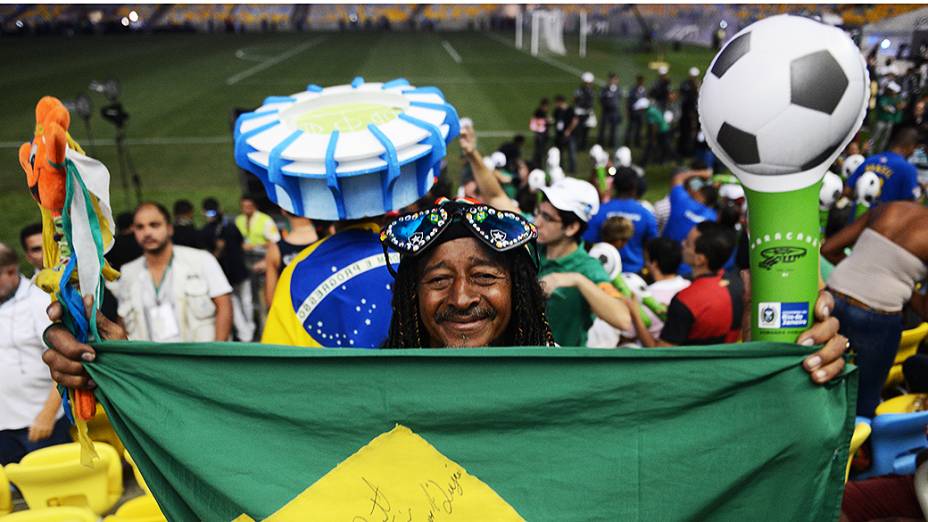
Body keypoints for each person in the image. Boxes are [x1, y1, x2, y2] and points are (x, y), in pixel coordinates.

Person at [381, 198, 553, 348]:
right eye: (439, 279)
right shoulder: (380, 382)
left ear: (518, 289)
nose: (461, 300)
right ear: (412, 294)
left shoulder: (557, 377)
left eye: (484, 276)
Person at [822, 201, 928, 417]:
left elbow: (828, 249)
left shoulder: (892, 207)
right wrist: (903, 287)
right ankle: (852, 449)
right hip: (877, 314)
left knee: (817, 377)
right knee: (863, 399)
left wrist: (863, 272)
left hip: (832, 296)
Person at [110, 202, 233, 342]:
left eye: (154, 225)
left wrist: (216, 355)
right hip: (152, 360)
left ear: (169, 228)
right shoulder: (129, 272)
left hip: (198, 359)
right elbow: (123, 321)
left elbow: (224, 305)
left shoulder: (201, 260)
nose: (147, 232)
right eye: (140, 227)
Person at [533, 178, 632, 346]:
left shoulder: (588, 269)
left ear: (572, 227)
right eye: (538, 212)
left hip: (558, 367)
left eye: (548, 218)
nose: (536, 222)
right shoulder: (532, 248)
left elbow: (623, 319)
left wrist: (577, 280)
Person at [0, 243, 70, 465]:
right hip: (3, 428)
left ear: (11, 271)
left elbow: (64, 361)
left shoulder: (40, 301)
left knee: (56, 492)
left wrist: (47, 415)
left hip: (39, 424)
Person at [630, 222, 743, 347]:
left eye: (688, 243)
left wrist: (635, 313)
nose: (682, 244)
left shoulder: (685, 300)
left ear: (700, 259)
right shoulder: (739, 287)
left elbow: (661, 354)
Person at [583, 167, 658, 274]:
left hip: (604, 271)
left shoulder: (599, 212)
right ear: (634, 186)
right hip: (636, 274)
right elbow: (652, 246)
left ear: (613, 185)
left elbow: (587, 243)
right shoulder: (646, 214)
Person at [202, 197, 254, 342]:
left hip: (225, 274)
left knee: (235, 304)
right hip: (240, 270)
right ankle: (249, 329)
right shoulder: (231, 226)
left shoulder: (206, 232)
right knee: (246, 301)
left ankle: (245, 334)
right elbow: (241, 242)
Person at [848, 126, 921, 204]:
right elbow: (911, 204)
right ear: (911, 146)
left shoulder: (870, 160)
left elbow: (847, 190)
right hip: (887, 215)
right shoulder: (908, 170)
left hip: (860, 214)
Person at [264, 210, 318, 306]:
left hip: (290, 314)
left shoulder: (276, 250)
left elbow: (270, 299)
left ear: (283, 210)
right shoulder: (328, 240)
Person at [662, 168, 718, 244]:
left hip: (663, 248)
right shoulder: (713, 218)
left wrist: (701, 173)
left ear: (699, 193)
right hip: (687, 254)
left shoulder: (681, 200)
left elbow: (678, 178)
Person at [553, 95, 579, 174]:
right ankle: (560, 167)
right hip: (560, 135)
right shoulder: (557, 111)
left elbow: (575, 121)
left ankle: (572, 169)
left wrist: (568, 130)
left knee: (571, 152)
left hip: (570, 135)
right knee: (559, 152)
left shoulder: (570, 110)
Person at [598, 72, 623, 149]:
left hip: (614, 112)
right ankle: (600, 143)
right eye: (612, 79)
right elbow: (600, 99)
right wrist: (606, 105)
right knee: (603, 128)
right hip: (606, 112)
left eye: (615, 79)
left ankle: (611, 143)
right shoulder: (605, 89)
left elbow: (619, 99)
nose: (614, 81)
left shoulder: (618, 89)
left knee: (613, 128)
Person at [573, 72, 596, 151]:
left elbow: (591, 103)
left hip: (587, 113)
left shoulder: (590, 91)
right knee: (579, 131)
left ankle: (583, 146)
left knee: (585, 131)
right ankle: (579, 146)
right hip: (580, 113)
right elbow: (575, 100)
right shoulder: (580, 91)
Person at [625, 75, 647, 147]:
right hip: (633, 111)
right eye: (640, 81)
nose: (641, 82)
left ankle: (637, 142)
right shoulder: (633, 89)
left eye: (642, 81)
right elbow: (629, 100)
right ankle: (627, 141)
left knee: (639, 128)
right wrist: (628, 110)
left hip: (640, 112)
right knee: (630, 127)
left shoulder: (644, 90)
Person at [529, 98, 551, 168]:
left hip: (541, 134)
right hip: (540, 135)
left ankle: (537, 164)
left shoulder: (541, 112)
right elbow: (537, 123)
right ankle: (538, 165)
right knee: (540, 151)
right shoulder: (540, 112)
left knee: (540, 151)